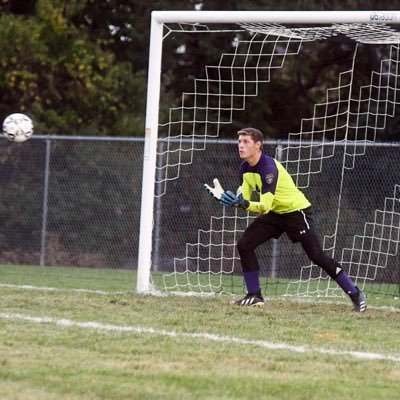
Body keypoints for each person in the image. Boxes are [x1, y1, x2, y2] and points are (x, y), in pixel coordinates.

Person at [204, 127, 366, 312]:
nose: (240, 146)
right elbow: (246, 202)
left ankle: (355, 294)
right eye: (239, 141)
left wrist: (243, 203)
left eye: (246, 142)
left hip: (296, 212)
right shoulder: (244, 168)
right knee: (245, 244)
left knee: (317, 256)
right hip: (275, 213)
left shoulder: (268, 169)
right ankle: (254, 295)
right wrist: (228, 199)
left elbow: (262, 206)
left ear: (258, 145)